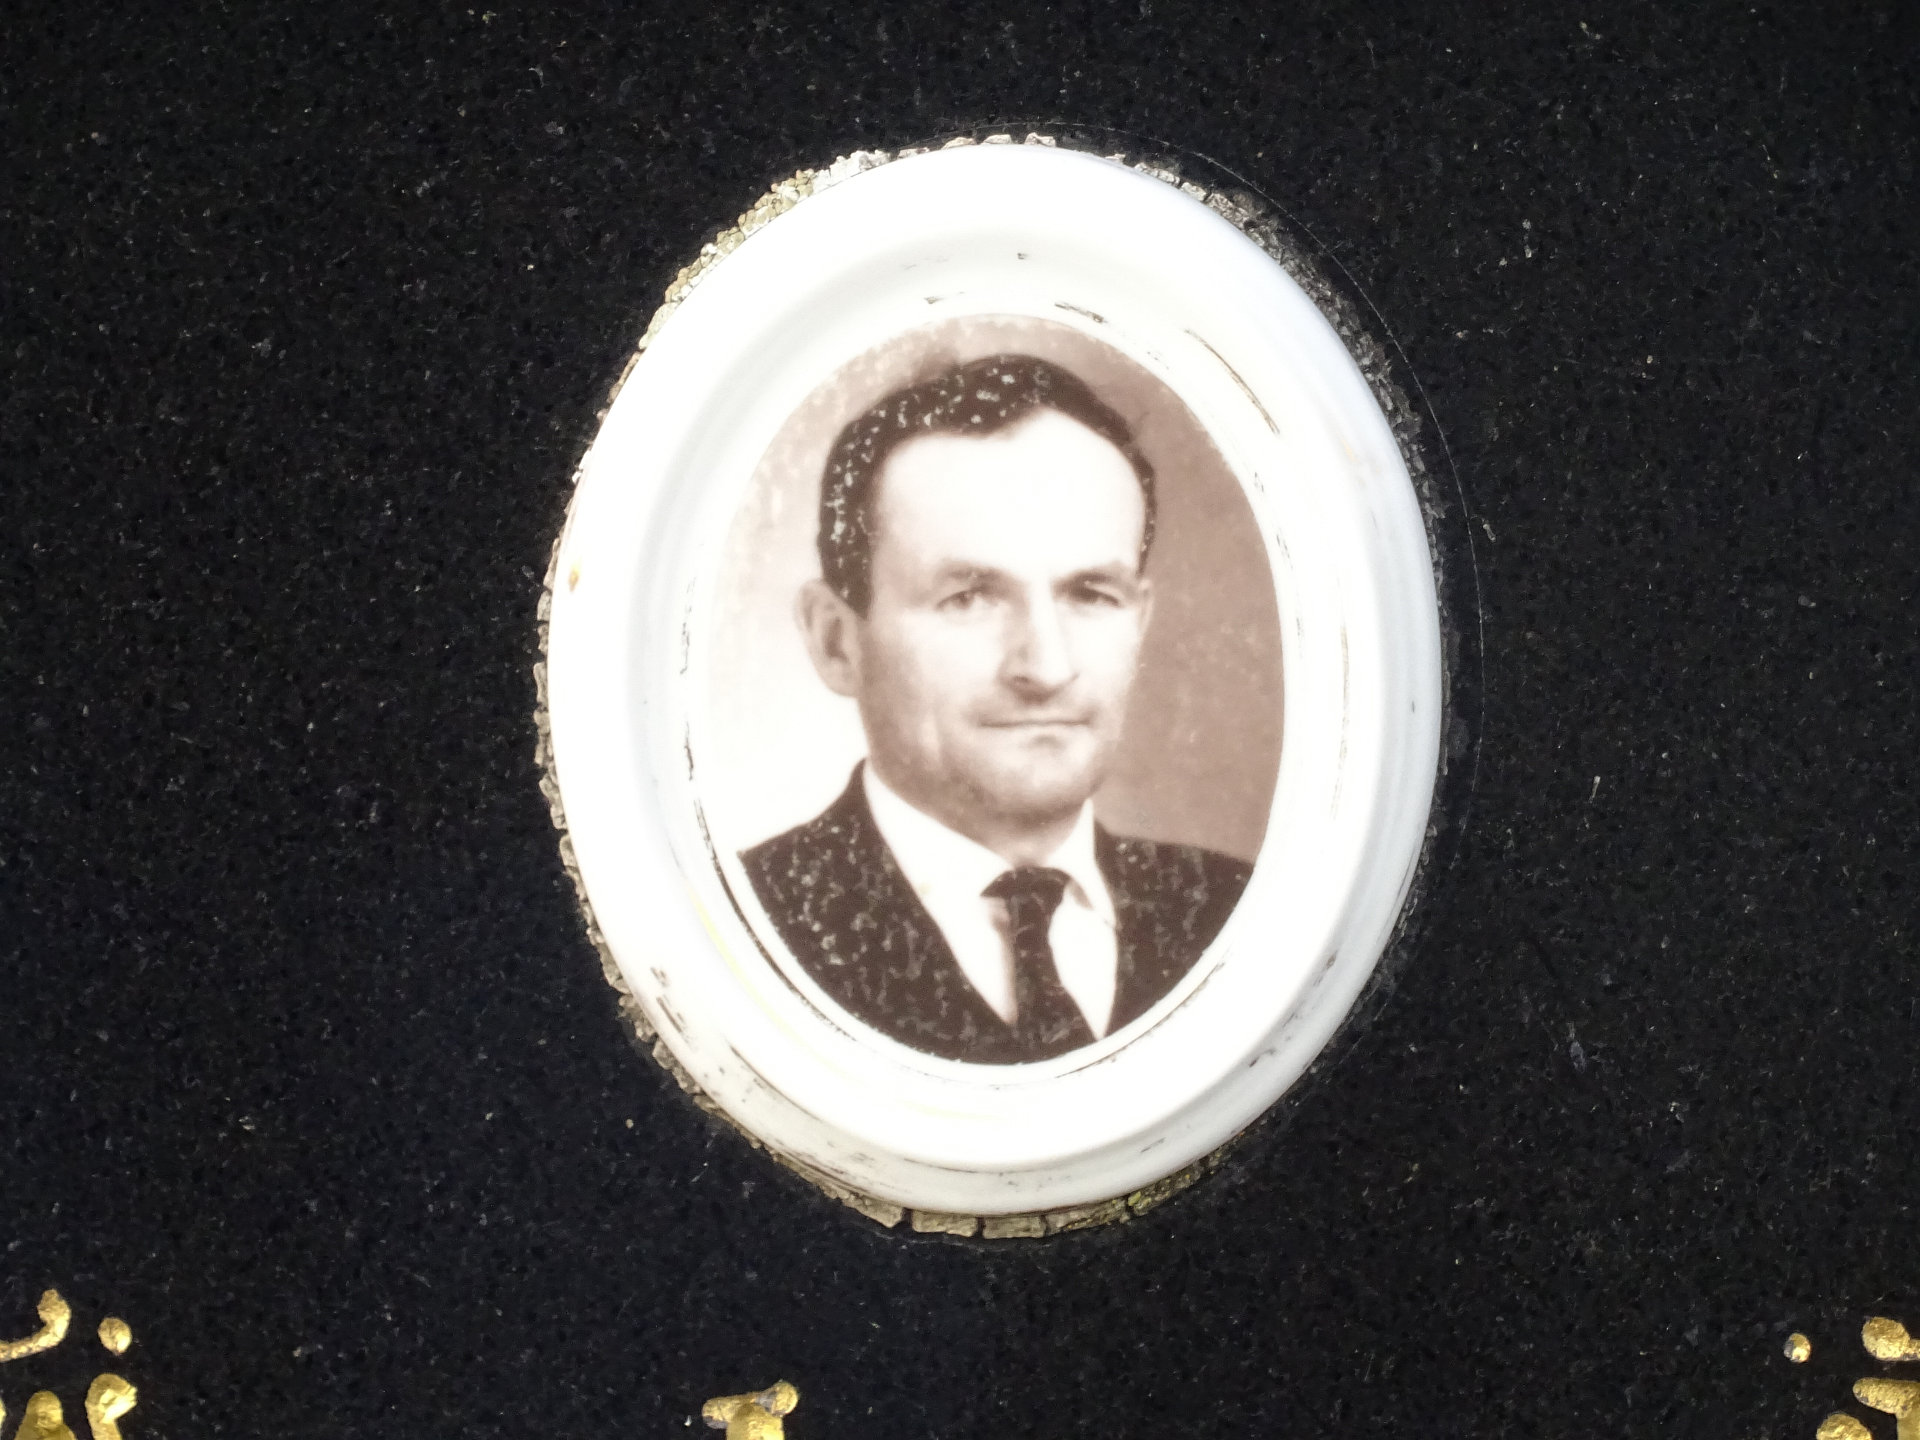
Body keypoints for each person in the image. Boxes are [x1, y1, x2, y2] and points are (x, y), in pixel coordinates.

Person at [741, 354, 1250, 1064]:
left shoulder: (1247, 913)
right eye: (969, 598)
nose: (1046, 668)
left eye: (1090, 594)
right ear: (836, 641)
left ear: (1139, 621)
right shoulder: (739, 930)